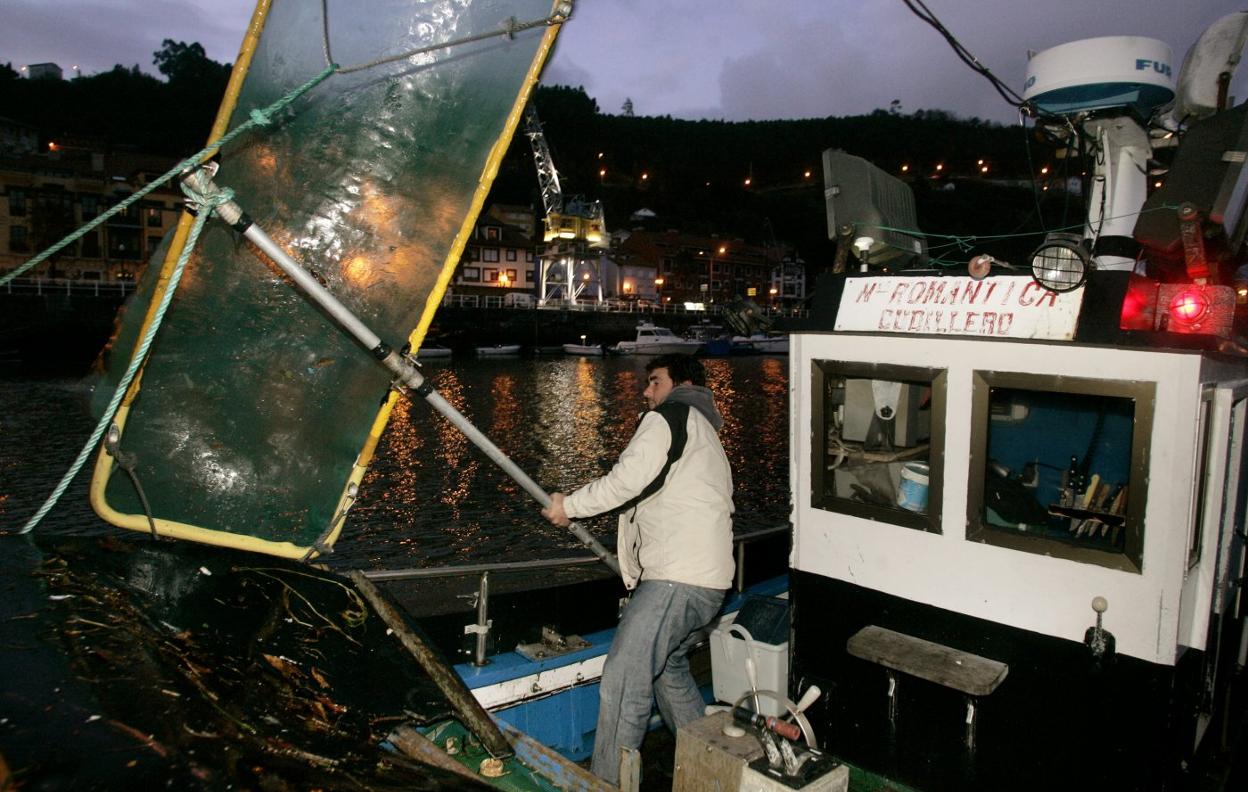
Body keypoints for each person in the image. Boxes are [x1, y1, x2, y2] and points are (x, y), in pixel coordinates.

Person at [541, 353, 735, 784]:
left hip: (677, 580)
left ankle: (607, 782)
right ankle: (711, 774)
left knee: (625, 682)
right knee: (670, 672)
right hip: (711, 586)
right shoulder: (707, 433)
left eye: (655, 382)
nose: (646, 392)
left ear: (681, 384)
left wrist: (568, 507)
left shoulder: (669, 417)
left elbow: (627, 479)